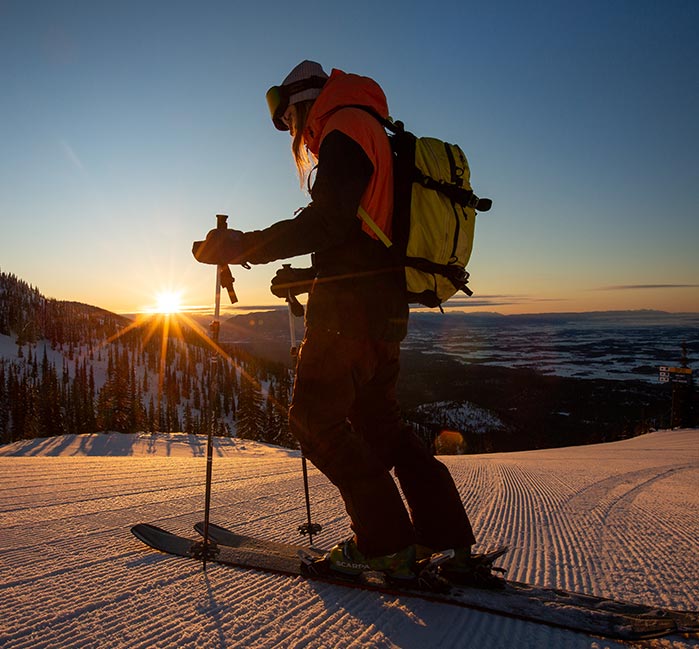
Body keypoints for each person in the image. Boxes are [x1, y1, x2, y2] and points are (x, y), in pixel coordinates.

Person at [192, 60, 477, 582]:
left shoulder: (344, 126)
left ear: (303, 104)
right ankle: (445, 534)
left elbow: (326, 221)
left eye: (290, 123)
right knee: (381, 428)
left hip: (348, 318)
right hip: (383, 309)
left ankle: (385, 543)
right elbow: (361, 235)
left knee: (314, 423)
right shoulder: (373, 128)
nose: (294, 136)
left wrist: (241, 245)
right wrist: (306, 275)